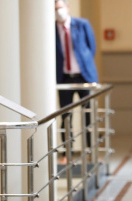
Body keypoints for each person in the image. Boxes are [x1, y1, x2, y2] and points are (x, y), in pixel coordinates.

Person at [55, 0, 98, 163]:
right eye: (56, 9)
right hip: (64, 78)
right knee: (65, 117)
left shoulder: (81, 24)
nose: (59, 11)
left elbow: (91, 47)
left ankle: (90, 152)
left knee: (87, 115)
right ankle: (67, 153)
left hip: (83, 76)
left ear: (67, 8)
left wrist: (85, 68)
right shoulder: (52, 29)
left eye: (61, 8)